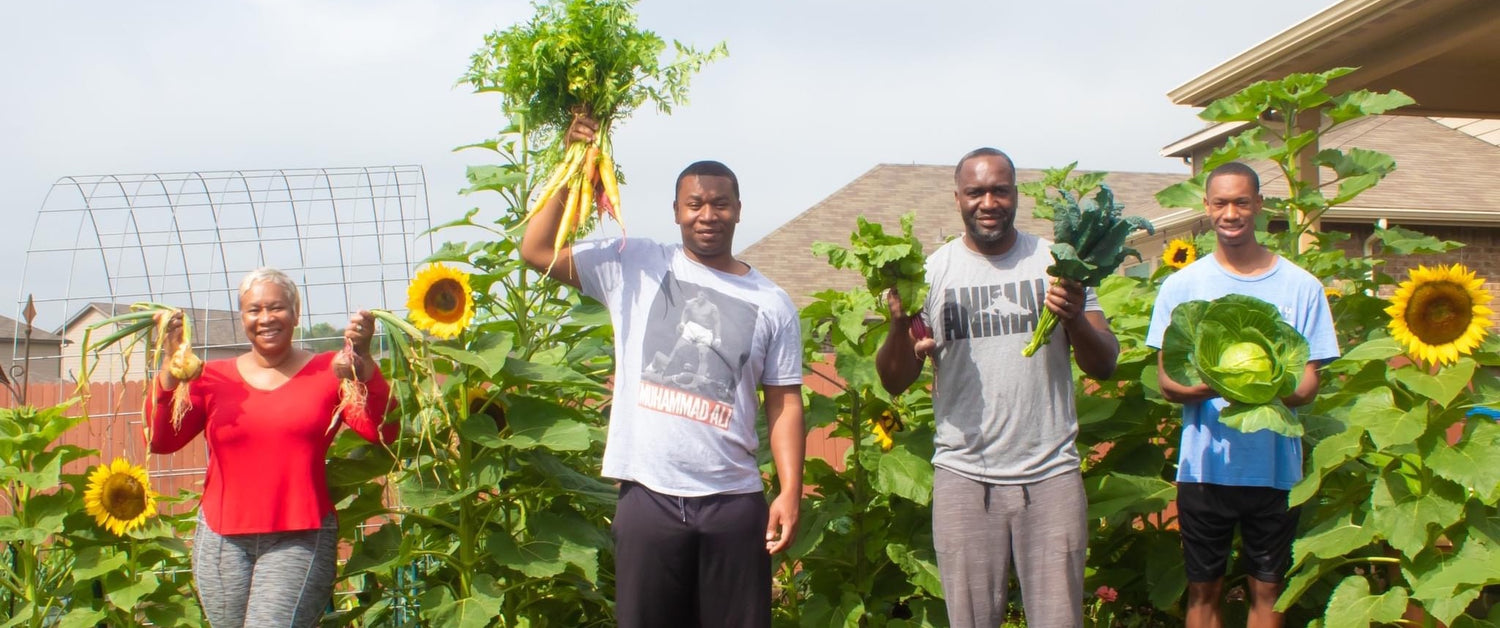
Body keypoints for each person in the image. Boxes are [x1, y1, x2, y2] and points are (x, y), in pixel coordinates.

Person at [518, 116, 805, 628]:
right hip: (648, 498)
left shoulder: (772, 302)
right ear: (676, 211)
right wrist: (573, 169)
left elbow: (784, 404)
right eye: (695, 204)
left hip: (734, 502)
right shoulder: (636, 265)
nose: (708, 215)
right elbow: (536, 250)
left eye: (720, 203)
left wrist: (788, 491)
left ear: (738, 211)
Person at [875, 147, 1121, 627]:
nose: (989, 202)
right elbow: (894, 380)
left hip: (1050, 473)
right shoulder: (930, 274)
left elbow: (1105, 363)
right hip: (965, 475)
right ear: (958, 199)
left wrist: (1074, 320)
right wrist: (897, 326)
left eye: (1000, 190)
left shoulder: (1059, 263)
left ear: (1015, 194)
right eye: (976, 192)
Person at [1146, 162, 1338, 628]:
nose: (1230, 213)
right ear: (1207, 208)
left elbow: (1308, 384)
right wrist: (1220, 383)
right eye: (1220, 203)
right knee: (1202, 589)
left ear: (1259, 206)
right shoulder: (1182, 285)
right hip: (1204, 465)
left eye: (1241, 202)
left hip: (1274, 468)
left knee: (1269, 588)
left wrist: (1259, 387)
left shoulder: (1301, 286)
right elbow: (1169, 383)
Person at [148, 268, 396, 628]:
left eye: (276, 308)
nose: (265, 318)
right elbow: (161, 439)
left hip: (300, 536)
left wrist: (365, 363)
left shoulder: (330, 371)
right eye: (254, 310)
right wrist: (170, 368)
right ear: (242, 318)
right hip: (221, 538)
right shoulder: (210, 377)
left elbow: (383, 430)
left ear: (296, 314)